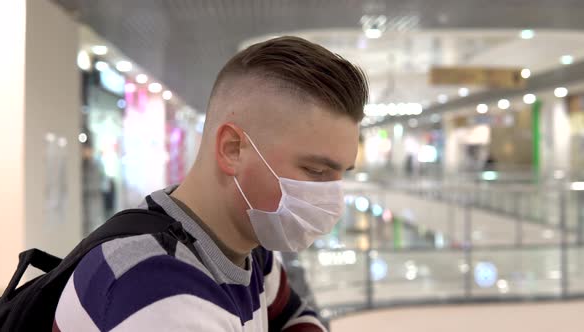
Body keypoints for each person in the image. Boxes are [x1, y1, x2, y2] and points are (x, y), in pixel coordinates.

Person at [53, 36, 368, 331]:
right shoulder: (154, 292)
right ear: (232, 149)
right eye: (316, 171)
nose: (334, 199)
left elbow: (294, 315)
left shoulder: (250, 245)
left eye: (344, 174)